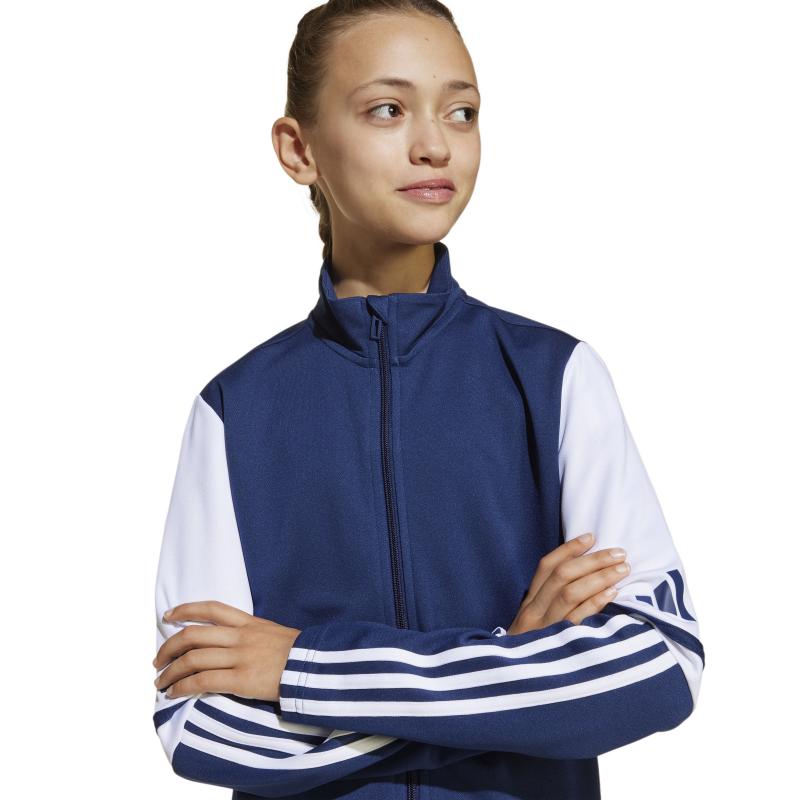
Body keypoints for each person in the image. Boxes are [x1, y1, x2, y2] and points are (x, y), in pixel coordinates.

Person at [152, 2, 705, 798]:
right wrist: (513, 666)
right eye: (387, 109)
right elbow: (200, 725)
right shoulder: (235, 410)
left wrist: (302, 671)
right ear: (299, 149)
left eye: (462, 112)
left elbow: (659, 666)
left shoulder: (555, 375)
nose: (435, 144)